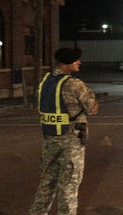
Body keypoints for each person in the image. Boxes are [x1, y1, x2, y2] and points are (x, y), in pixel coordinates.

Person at [28, 48, 99, 215]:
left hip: (50, 140)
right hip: (71, 141)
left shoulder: (45, 81)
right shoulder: (75, 84)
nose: (79, 62)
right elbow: (92, 108)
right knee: (69, 184)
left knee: (46, 183)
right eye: (76, 60)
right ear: (65, 64)